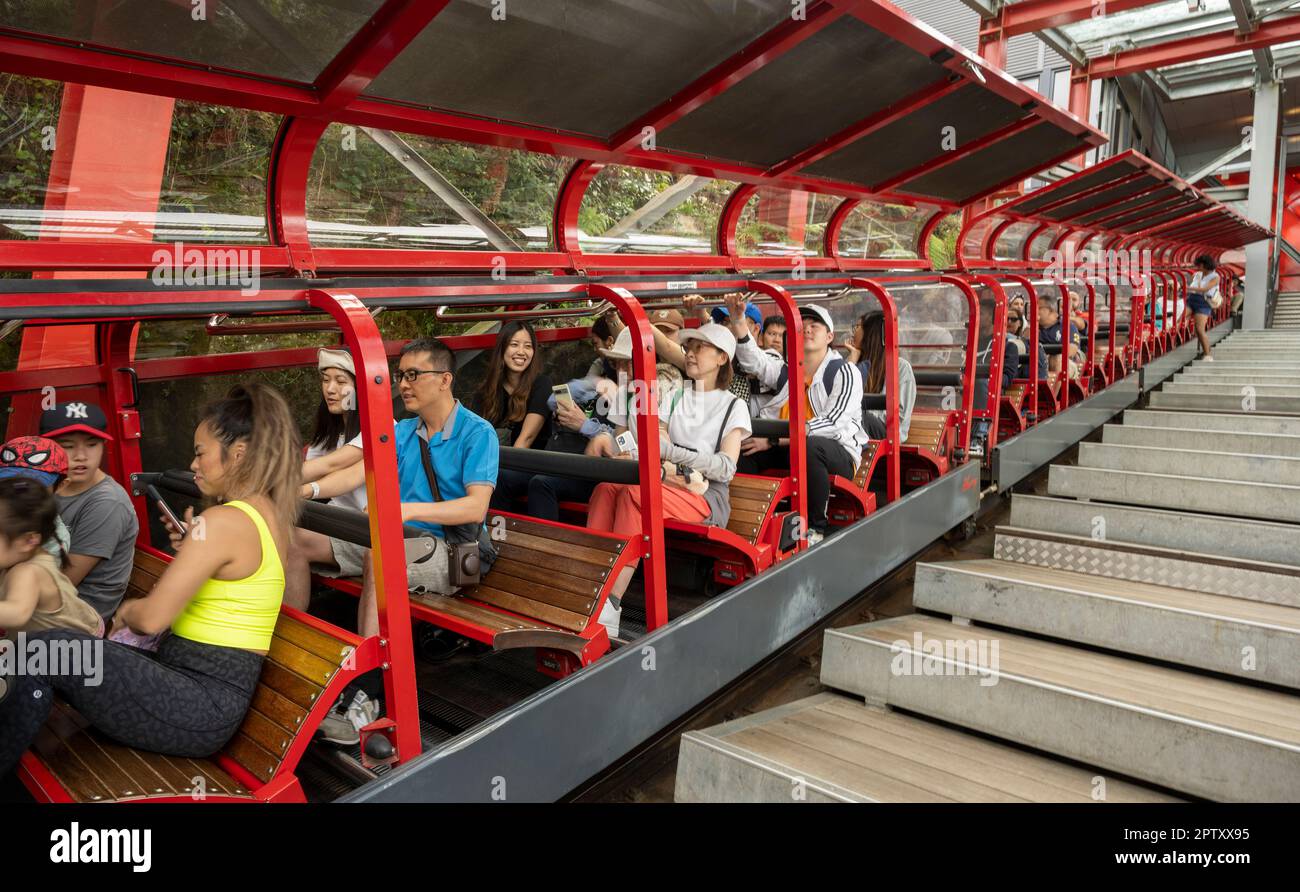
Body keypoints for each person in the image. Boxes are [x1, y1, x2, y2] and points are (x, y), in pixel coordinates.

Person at [0, 384, 300, 778]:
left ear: (238, 454)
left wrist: (127, 609)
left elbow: (151, 620)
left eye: (200, 452)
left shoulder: (225, 521)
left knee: (42, 650)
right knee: (44, 650)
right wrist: (192, 549)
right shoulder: (267, 516)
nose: (193, 465)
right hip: (197, 691)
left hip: (196, 703)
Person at [586, 323, 750, 638]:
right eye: (688, 347)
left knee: (636, 494)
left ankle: (611, 601)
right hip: (669, 481)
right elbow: (653, 445)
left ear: (721, 358)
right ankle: (593, 580)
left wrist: (677, 460)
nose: (690, 353)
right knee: (606, 488)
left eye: (700, 348)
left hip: (705, 496)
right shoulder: (675, 395)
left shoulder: (733, 405)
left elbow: (726, 468)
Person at [722, 296, 867, 544]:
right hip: (786, 445)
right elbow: (753, 360)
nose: (807, 328)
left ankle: (815, 529)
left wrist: (774, 439)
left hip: (835, 452)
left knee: (809, 447)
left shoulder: (844, 371)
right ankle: (735, 523)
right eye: (803, 323)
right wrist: (737, 320)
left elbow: (833, 424)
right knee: (743, 450)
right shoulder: (788, 370)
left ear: (829, 337)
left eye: (815, 325)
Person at [38, 401, 139, 622]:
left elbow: (61, 583)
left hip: (73, 623)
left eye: (92, 445)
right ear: (46, 448)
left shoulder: (107, 502)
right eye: (67, 445)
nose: (81, 456)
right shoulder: (47, 486)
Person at [0, 462, 102, 639]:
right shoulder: (25, 553)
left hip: (74, 650)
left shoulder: (28, 571)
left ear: (28, 540)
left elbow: (17, 613)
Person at [473, 322, 552, 512]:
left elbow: (526, 439)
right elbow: (475, 439)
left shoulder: (541, 384)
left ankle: (493, 538)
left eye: (528, 346)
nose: (521, 352)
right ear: (502, 348)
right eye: (514, 344)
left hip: (531, 465)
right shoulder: (485, 392)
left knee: (497, 479)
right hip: (496, 465)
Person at [301, 348, 365, 511]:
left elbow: (329, 465)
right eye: (325, 380)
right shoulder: (328, 433)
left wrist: (269, 479)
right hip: (334, 516)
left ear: (360, 387)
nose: (330, 389)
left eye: (341, 381)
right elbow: (309, 471)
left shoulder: (381, 429)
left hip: (364, 523)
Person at [841, 311, 915, 441]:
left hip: (887, 433)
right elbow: (839, 394)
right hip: (857, 425)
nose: (853, 332)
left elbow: (899, 417)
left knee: (858, 418)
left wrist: (857, 412)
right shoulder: (854, 361)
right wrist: (852, 358)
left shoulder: (900, 367)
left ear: (870, 333)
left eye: (857, 327)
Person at [1185, 255, 1220, 360]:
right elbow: (1193, 287)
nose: (1197, 267)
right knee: (1180, 318)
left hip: (1203, 302)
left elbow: (1205, 289)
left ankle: (1207, 354)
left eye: (1199, 265)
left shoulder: (1215, 277)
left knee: (1199, 329)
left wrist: (1187, 287)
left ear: (1205, 265)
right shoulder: (1197, 274)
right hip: (1191, 299)